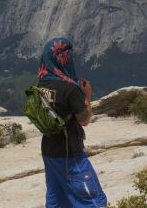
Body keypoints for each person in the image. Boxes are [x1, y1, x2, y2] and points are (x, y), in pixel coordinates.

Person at [37, 37, 108, 207]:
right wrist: (87, 96)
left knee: (57, 199)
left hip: (49, 151)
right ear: (63, 58)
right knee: (93, 200)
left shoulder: (41, 83)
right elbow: (84, 120)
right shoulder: (70, 88)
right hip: (70, 154)